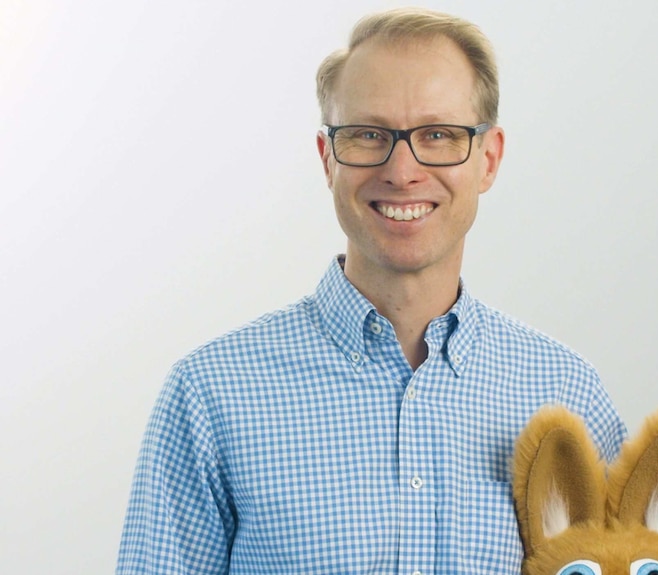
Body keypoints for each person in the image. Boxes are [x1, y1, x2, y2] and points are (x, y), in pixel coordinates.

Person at [116, 7, 627, 574]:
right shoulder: (211, 396)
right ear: (327, 157)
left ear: (489, 159)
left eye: (438, 135)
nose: (402, 169)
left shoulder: (566, 395)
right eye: (368, 135)